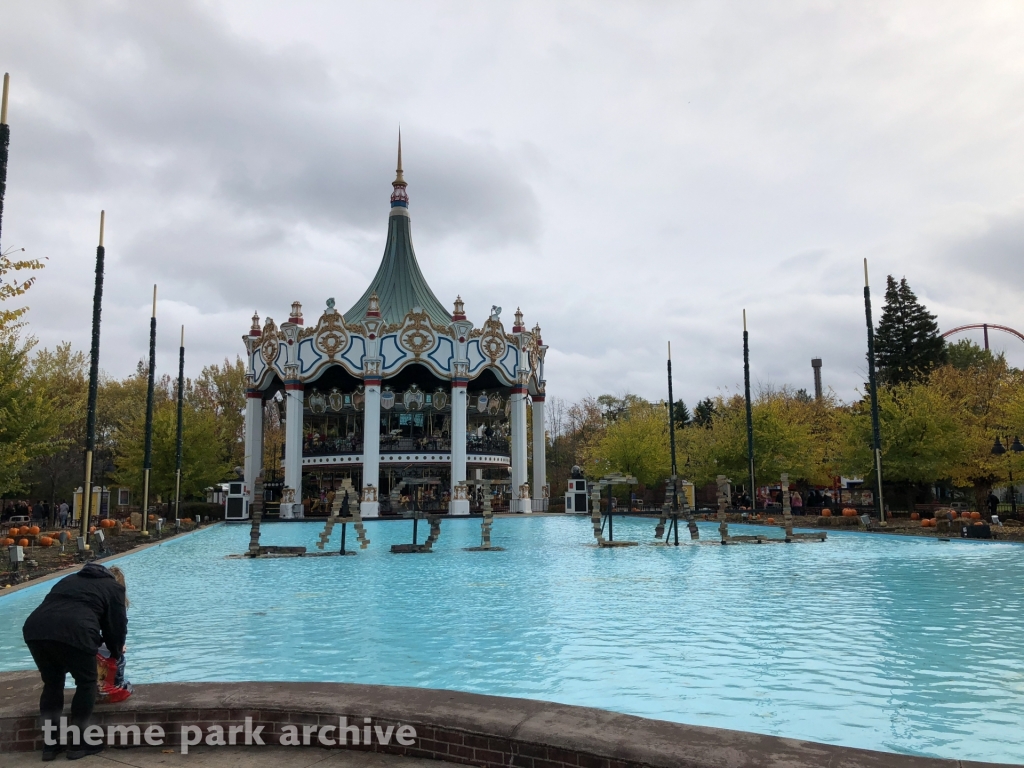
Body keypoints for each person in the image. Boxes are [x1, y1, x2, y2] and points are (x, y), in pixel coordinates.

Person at [22, 561, 128, 761]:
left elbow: (61, 608)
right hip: (76, 631)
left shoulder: (69, 579)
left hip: (36, 630)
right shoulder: (114, 588)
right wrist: (115, 652)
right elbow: (116, 626)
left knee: (52, 684)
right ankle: (79, 743)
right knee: (86, 682)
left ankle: (50, 745)